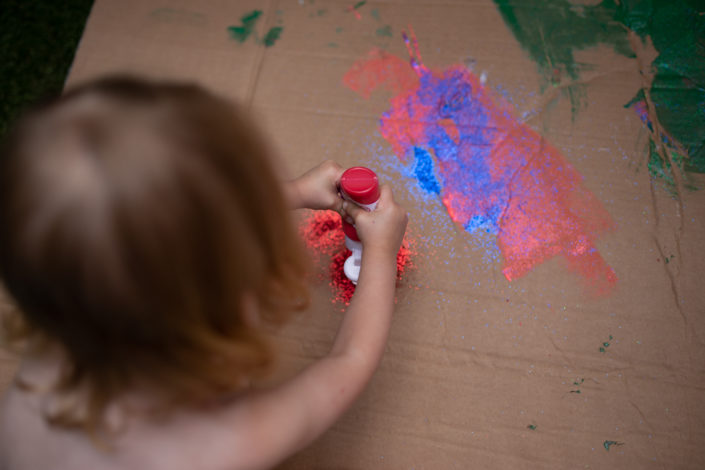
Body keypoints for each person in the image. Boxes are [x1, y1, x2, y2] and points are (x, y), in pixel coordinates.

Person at [0, 76, 407, 470]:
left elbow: (155, 227)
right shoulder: (229, 441)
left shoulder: (62, 326)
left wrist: (297, 192)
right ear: (211, 315)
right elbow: (348, 362)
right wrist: (381, 253)